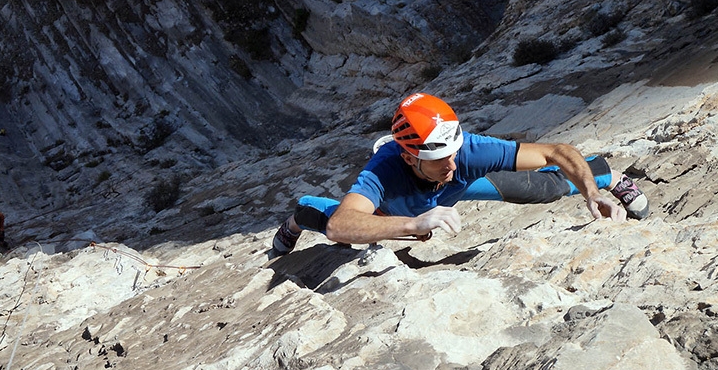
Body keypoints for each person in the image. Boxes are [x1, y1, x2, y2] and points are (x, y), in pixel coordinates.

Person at [270, 92, 649, 257]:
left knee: (544, 187)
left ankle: (605, 176)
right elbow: (342, 225)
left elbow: (555, 151)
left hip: (449, 196)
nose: (452, 165)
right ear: (408, 158)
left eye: (454, 154)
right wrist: (412, 224)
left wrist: (589, 191)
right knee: (326, 221)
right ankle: (293, 222)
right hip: (397, 208)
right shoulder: (385, 169)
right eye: (439, 160)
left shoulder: (465, 153)